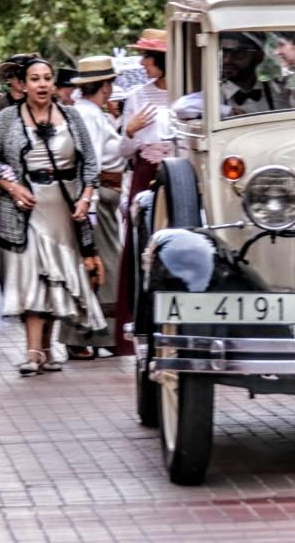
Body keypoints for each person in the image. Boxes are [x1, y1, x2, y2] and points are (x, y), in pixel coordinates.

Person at [0, 58, 106, 376]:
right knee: (33, 276)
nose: (41, 84)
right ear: (22, 84)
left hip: (64, 206)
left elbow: (90, 163)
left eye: (47, 78)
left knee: (55, 277)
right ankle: (33, 352)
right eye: (34, 78)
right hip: (26, 209)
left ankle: (47, 349)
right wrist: (11, 186)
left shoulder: (72, 116)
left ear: (54, 83)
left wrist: (86, 196)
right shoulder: (8, 118)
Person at [115, 29, 171, 354]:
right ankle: (137, 318)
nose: (142, 63)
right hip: (146, 174)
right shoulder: (137, 95)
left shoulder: (190, 92)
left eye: (147, 57)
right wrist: (130, 130)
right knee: (141, 245)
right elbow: (123, 150)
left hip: (180, 174)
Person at [67, 55, 124, 358]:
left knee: (105, 265)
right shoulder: (86, 115)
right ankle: (84, 335)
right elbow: (90, 160)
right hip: (96, 197)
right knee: (100, 266)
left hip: (103, 196)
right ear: (104, 85)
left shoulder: (95, 113)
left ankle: (99, 334)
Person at [172, 31, 291, 119]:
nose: (227, 60)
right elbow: (179, 107)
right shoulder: (217, 95)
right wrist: (226, 111)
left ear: (259, 56)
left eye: (238, 53)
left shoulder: (277, 92)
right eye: (223, 53)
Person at [0, 53, 38, 133]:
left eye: (25, 75)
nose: (21, 80)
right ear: (8, 77)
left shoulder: (36, 103)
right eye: (17, 74)